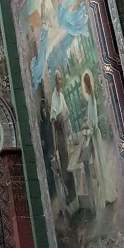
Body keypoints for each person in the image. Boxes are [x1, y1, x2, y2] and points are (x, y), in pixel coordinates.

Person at [80, 71, 117, 208]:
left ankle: (108, 195)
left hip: (95, 136)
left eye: (85, 85)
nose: (84, 87)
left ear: (86, 84)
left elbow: (94, 123)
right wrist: (87, 123)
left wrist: (88, 127)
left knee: (100, 164)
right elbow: (91, 118)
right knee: (99, 164)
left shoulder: (92, 99)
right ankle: (107, 194)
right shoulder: (91, 98)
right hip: (95, 135)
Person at [50, 71, 78, 215]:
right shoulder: (54, 97)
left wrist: (72, 135)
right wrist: (55, 145)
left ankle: (74, 195)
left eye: (61, 79)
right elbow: (54, 119)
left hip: (65, 133)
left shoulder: (61, 96)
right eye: (58, 79)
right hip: (60, 135)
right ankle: (70, 196)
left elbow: (66, 114)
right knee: (65, 164)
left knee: (73, 161)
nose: (60, 81)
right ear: (55, 81)